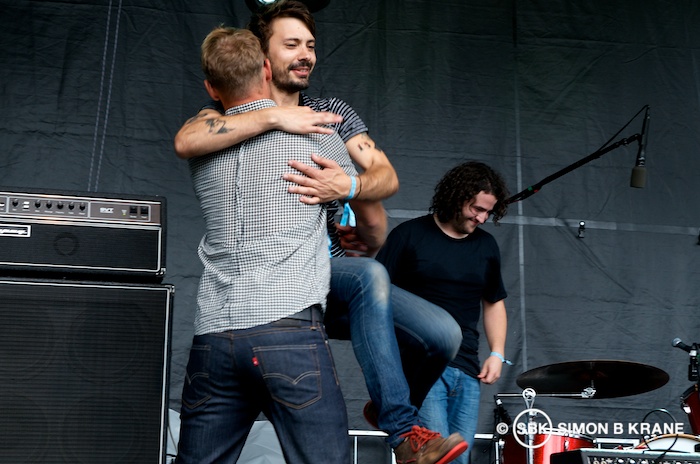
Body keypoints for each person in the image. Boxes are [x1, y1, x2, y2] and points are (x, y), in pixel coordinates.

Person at [174, 2, 467, 462]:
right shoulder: (231, 120)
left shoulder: (328, 114)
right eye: (292, 44)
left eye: (310, 45)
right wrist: (275, 116)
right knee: (370, 276)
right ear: (263, 60)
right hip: (285, 303)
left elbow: (382, 184)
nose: (305, 55)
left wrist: (346, 188)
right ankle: (402, 428)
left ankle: (393, 412)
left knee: (442, 334)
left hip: (318, 277)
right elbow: (187, 138)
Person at [174, 26, 359, 463]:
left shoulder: (202, 140)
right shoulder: (318, 134)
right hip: (288, 328)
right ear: (266, 69)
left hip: (214, 335)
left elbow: (187, 137)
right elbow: (365, 214)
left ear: (211, 89)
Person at [376, 161, 511, 464]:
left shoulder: (486, 246)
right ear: (457, 196)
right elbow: (374, 302)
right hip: (421, 369)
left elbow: (493, 301)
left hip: (468, 371)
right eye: (477, 209)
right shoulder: (408, 235)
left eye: (488, 212)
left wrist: (497, 353)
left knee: (458, 460)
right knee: (435, 459)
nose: (482, 218)